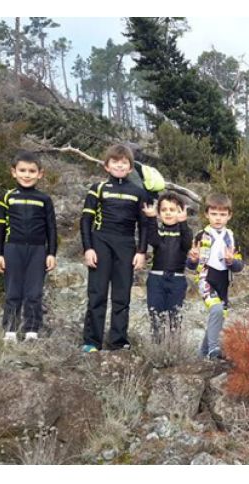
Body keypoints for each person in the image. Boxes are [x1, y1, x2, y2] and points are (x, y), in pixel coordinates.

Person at [80, 144, 148, 352]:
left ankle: (118, 341)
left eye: (124, 162)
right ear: (106, 166)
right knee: (97, 294)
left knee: (122, 296)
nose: (119, 165)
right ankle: (92, 342)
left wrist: (141, 251)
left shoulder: (138, 192)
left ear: (130, 167)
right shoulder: (98, 188)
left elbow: (144, 225)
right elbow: (85, 221)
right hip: (100, 242)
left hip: (126, 245)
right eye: (115, 162)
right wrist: (88, 248)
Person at [0, 150, 57, 342]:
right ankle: (10, 331)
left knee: (34, 292)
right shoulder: (6, 197)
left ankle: (32, 331)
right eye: (22, 170)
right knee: (13, 291)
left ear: (40, 174)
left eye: (31, 171)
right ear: (13, 172)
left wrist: (51, 253)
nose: (27, 175)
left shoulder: (44, 199)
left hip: (38, 251)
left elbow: (51, 228)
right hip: (12, 249)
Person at [187, 193, 244, 360]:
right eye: (214, 214)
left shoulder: (232, 237)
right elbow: (190, 265)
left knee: (218, 317)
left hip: (223, 281)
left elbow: (239, 266)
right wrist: (193, 259)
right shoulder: (200, 235)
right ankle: (213, 349)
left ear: (229, 215)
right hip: (206, 278)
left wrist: (231, 261)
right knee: (216, 309)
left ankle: (201, 355)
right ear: (207, 214)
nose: (218, 218)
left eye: (222, 214)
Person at [142, 192, 193, 343]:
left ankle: (174, 348)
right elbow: (153, 240)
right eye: (164, 210)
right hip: (156, 279)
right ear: (159, 213)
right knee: (156, 315)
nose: (168, 213)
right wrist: (151, 218)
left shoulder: (185, 231)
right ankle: (157, 347)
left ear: (181, 211)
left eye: (173, 209)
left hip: (177, 280)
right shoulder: (158, 230)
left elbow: (187, 244)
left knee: (175, 317)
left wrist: (183, 223)